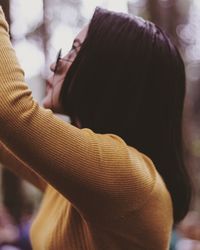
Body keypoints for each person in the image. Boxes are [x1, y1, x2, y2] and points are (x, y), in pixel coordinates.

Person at [0, 5, 192, 250]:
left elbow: (11, 112)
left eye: (74, 51)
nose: (55, 65)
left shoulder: (129, 177)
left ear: (112, 74)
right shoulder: (81, 179)